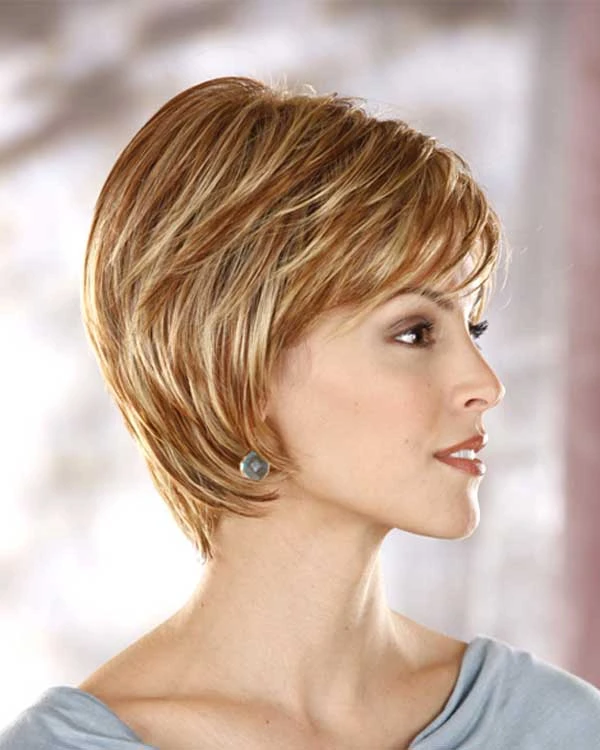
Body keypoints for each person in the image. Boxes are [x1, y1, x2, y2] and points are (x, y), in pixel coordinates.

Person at [1, 75, 599, 750]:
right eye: (414, 333)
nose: (485, 384)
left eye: (474, 330)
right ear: (239, 369)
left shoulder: (560, 727)